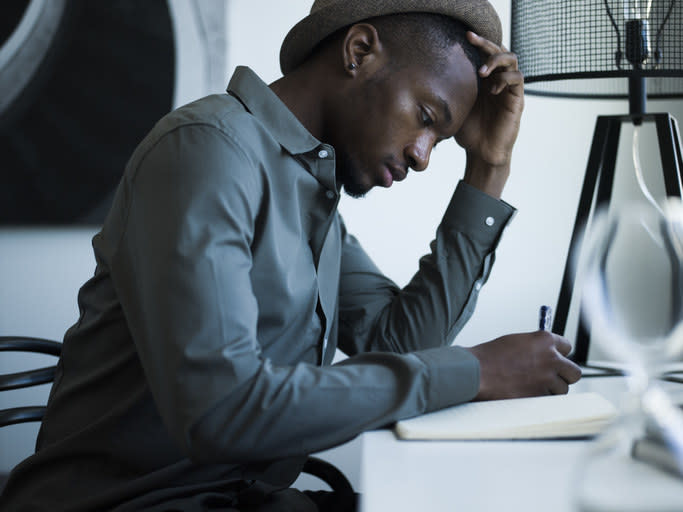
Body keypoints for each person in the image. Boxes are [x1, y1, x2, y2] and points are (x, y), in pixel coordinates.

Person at [0, 0, 582, 510]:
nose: (424, 156)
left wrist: (487, 171)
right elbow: (222, 411)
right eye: (426, 119)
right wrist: (478, 371)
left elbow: (402, 346)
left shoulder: (308, 186)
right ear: (359, 51)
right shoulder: (206, 152)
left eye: (441, 139)